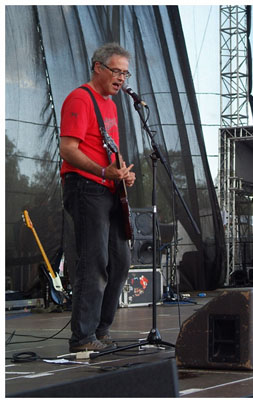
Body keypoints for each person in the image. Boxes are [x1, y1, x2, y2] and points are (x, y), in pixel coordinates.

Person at [59, 43, 136, 353]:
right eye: (116, 71)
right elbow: (68, 149)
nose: (121, 78)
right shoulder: (80, 98)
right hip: (85, 188)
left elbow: (109, 149)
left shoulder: (111, 105)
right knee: (94, 261)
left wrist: (122, 172)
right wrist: (104, 172)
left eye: (125, 73)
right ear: (98, 68)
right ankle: (82, 337)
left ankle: (100, 330)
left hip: (109, 189)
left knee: (121, 261)